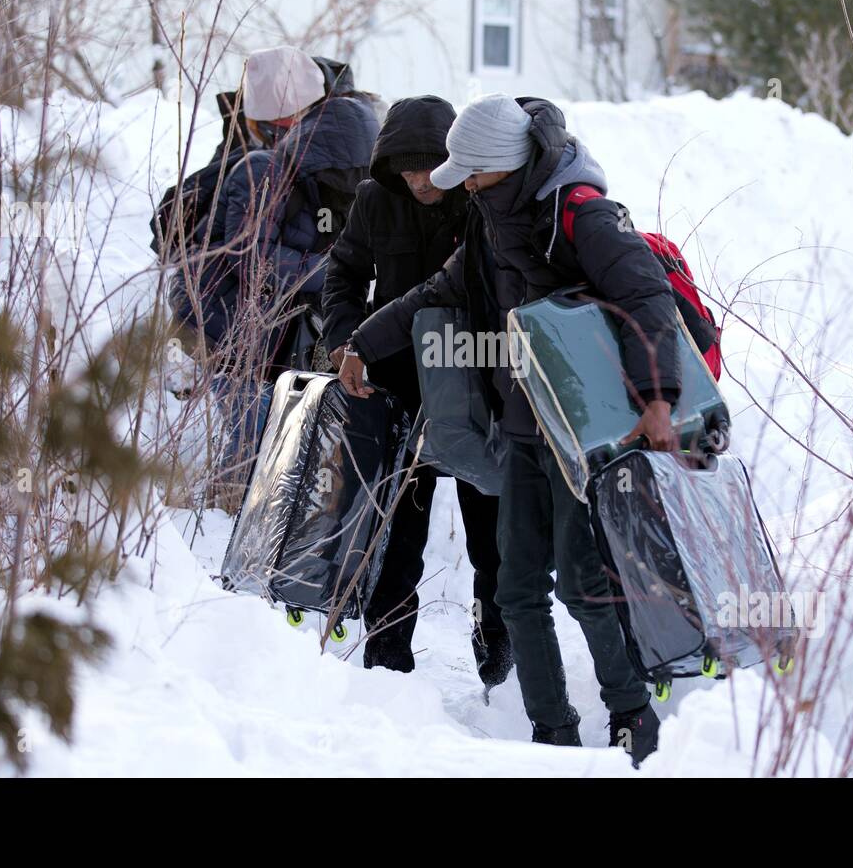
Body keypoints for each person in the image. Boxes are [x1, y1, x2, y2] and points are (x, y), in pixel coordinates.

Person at [337, 94, 681, 764]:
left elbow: (647, 295)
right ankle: (550, 732)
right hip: (524, 425)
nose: (462, 184)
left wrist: (659, 395)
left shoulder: (580, 213)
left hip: (586, 427)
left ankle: (632, 713)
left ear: (500, 166)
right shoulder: (489, 224)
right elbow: (435, 292)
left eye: (471, 172)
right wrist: (363, 342)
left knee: (582, 581)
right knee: (517, 586)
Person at [322, 96, 511, 686]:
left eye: (427, 168)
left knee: (494, 540)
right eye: (404, 171)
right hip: (397, 388)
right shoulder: (376, 201)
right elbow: (343, 272)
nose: (417, 181)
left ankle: (497, 656)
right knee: (396, 540)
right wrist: (343, 338)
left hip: (478, 388)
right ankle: (387, 670)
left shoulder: (481, 196)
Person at [165, 46, 379, 507]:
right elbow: (253, 257)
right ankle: (232, 527)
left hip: (247, 331)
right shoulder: (283, 167)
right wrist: (338, 274)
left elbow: (261, 260)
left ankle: (234, 522)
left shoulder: (284, 167)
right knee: (265, 441)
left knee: (259, 443)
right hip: (237, 325)